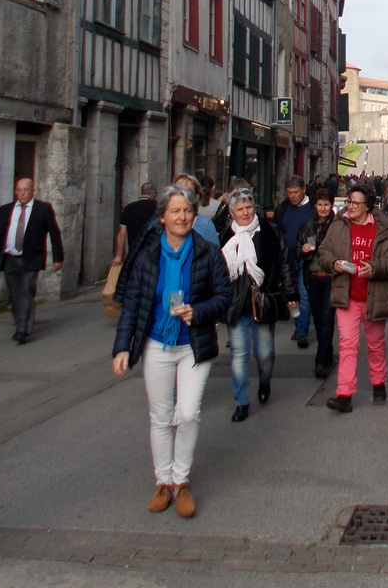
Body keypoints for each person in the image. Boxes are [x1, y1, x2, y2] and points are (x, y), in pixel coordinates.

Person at [112, 184, 230, 518]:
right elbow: (133, 302)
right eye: (175, 211)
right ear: (162, 217)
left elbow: (223, 297)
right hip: (157, 345)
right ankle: (163, 482)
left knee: (189, 413)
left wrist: (198, 311)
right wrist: (122, 347)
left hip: (193, 344)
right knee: (161, 416)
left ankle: (181, 481)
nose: (182, 217)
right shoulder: (148, 255)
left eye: (188, 211)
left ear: (195, 215)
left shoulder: (208, 251)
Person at [318, 184, 388, 413]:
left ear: (368, 206)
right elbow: (324, 251)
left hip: (374, 295)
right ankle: (344, 393)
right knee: (347, 344)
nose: (351, 207)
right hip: (347, 294)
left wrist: (374, 268)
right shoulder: (339, 224)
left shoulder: (385, 228)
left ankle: (378, 382)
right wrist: (333, 263)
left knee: (375, 343)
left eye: (356, 203)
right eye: (349, 202)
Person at [220, 187, 297, 421]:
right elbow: (217, 269)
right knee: (238, 354)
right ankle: (241, 402)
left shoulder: (269, 231)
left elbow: (285, 260)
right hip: (235, 302)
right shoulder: (225, 235)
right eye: (240, 209)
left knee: (264, 354)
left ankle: (264, 381)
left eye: (249, 207)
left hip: (262, 298)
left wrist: (291, 291)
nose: (245, 213)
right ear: (231, 212)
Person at [0, 178, 64, 344]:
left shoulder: (43, 209)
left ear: (33, 191)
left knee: (26, 289)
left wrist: (58, 258)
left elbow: (54, 233)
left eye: (25, 189)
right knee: (15, 293)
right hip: (10, 258)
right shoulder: (5, 210)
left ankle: (22, 329)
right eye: (19, 190)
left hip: (31, 258)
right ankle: (22, 323)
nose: (22, 193)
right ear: (15, 191)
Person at [296, 190, 341, 379]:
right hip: (313, 276)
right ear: (315, 205)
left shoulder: (338, 226)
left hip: (331, 277)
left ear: (332, 206)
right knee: (319, 319)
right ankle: (328, 354)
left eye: (326, 205)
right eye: (320, 205)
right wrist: (303, 250)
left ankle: (321, 361)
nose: (323, 209)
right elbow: (297, 249)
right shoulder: (307, 226)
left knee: (327, 318)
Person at [270, 178, 314, 349]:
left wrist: (310, 248)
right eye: (290, 192)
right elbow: (277, 232)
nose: (293, 196)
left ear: (304, 190)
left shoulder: (312, 208)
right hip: (287, 259)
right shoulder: (283, 209)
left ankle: (302, 331)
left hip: (305, 258)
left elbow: (315, 230)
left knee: (303, 293)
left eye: (296, 192)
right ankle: (297, 325)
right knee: (291, 295)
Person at [112, 182, 158, 268]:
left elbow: (122, 233)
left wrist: (118, 256)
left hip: (134, 253)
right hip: (154, 253)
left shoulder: (128, 208)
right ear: (154, 194)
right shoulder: (158, 208)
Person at [174, 175, 220, 245]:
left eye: (188, 192)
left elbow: (214, 253)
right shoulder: (162, 222)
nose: (182, 196)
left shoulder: (205, 225)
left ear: (197, 195)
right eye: (177, 191)